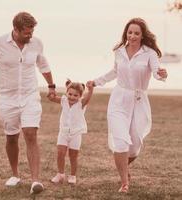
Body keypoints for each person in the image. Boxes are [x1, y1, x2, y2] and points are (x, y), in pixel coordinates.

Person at [0, 12, 56, 194]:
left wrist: (51, 86)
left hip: (30, 96)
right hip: (8, 98)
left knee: (30, 133)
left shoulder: (36, 43)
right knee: (11, 137)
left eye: (32, 32)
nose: (30, 35)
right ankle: (15, 174)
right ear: (15, 30)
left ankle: (35, 181)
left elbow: (43, 65)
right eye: (26, 32)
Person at [87, 18, 168, 193]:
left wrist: (162, 74)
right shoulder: (119, 51)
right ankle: (124, 182)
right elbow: (115, 72)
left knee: (135, 142)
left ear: (142, 35)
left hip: (139, 100)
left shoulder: (149, 53)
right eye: (129, 32)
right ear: (126, 33)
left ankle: (122, 164)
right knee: (121, 142)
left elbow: (156, 72)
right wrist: (96, 82)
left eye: (136, 33)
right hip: (119, 99)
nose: (132, 36)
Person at [48, 80, 93, 185]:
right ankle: (60, 174)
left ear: (80, 96)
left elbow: (88, 97)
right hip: (63, 132)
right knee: (60, 153)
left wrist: (91, 90)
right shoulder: (63, 100)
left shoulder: (81, 104)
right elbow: (52, 98)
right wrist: (51, 95)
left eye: (75, 95)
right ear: (66, 93)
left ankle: (72, 176)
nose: (72, 97)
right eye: (70, 94)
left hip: (76, 133)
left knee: (73, 156)